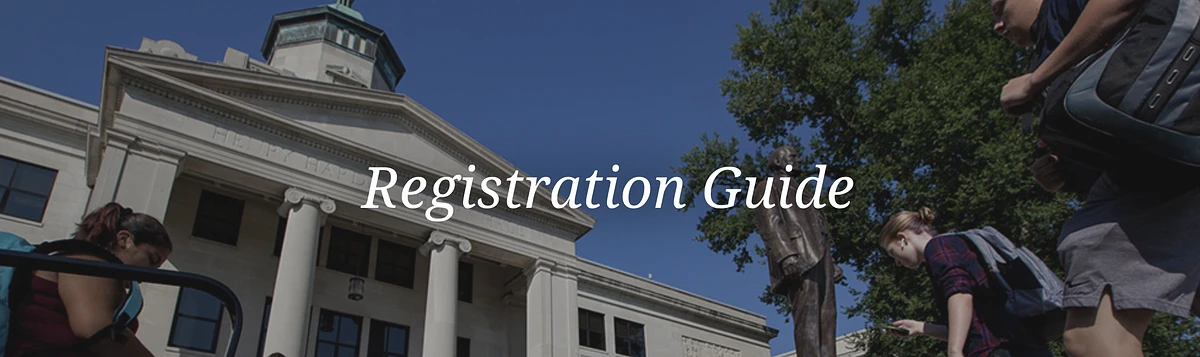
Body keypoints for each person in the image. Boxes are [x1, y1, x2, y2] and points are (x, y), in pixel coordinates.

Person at [993, 0, 1200, 355]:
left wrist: (1036, 79)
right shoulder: (1055, 34)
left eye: (999, 7)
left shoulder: (1061, 9)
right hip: (1174, 154)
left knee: (1092, 332)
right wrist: (1063, 168)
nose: (997, 25)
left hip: (1152, 166)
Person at [5, 202, 173, 357]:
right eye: (151, 259)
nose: (150, 273)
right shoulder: (90, 264)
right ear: (124, 239)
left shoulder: (95, 270)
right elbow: (97, 331)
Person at [880, 208, 1052, 357]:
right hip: (1023, 343)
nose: (897, 262)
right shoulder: (957, 244)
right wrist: (919, 327)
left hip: (996, 350)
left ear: (902, 238)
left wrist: (954, 351)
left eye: (892, 253)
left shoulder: (937, 248)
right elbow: (969, 327)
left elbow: (961, 294)